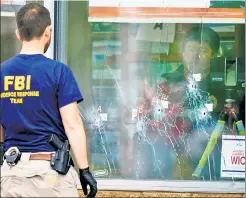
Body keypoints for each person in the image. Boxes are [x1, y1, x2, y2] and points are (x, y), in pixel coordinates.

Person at [0, 3, 97, 197]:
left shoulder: (2, 72)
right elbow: (72, 125)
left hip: (12, 174)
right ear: (48, 32)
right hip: (51, 176)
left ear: (18, 34)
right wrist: (84, 170)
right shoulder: (58, 72)